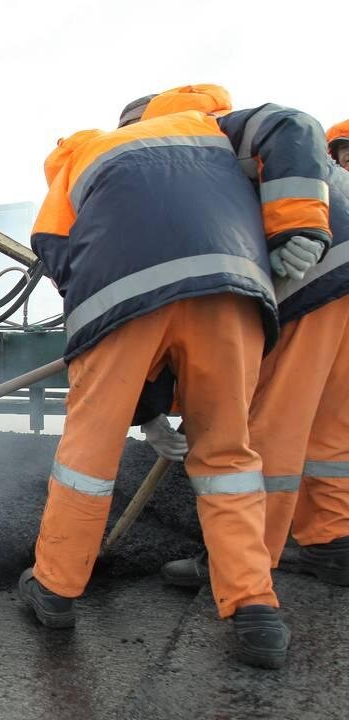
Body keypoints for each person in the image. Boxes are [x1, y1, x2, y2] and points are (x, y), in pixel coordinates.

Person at [18, 84, 331, 669]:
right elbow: (293, 123)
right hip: (233, 288)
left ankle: (55, 588)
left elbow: (57, 250)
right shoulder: (221, 135)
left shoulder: (82, 150)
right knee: (228, 456)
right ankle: (254, 607)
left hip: (121, 290)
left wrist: (137, 395)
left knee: (89, 452)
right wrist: (298, 226)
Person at [155, 102, 349, 592]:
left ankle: (242, 558)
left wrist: (154, 401)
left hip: (315, 279)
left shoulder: (195, 149)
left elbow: (186, 305)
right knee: (333, 426)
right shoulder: (231, 150)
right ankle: (334, 542)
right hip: (339, 275)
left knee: (271, 425)